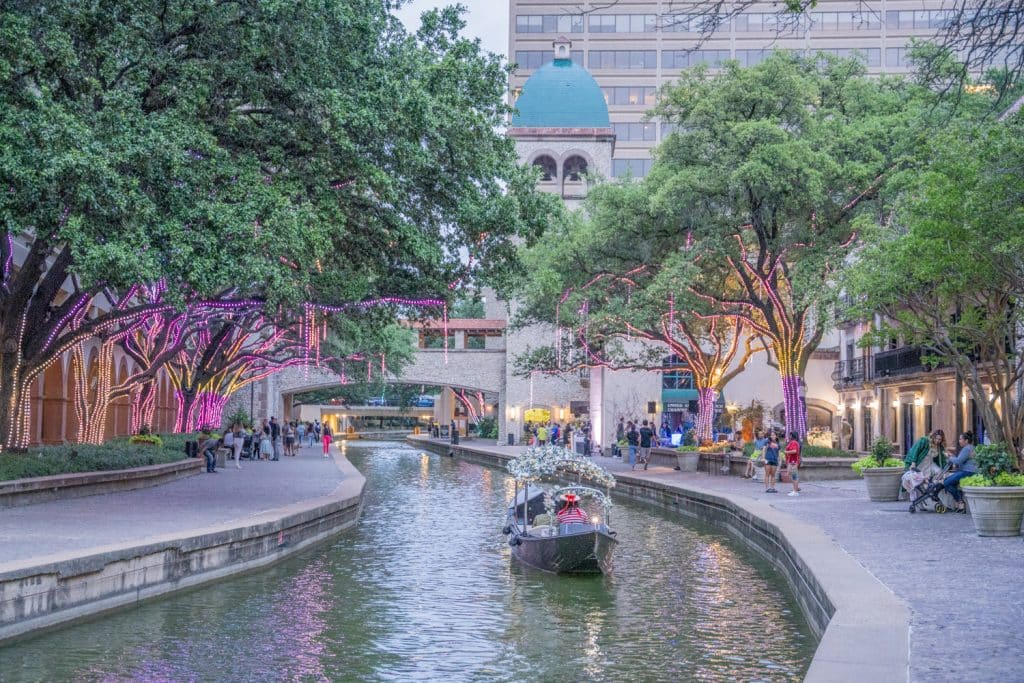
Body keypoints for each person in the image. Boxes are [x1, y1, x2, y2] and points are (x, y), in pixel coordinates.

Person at [902, 430, 947, 500]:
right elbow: (915, 450)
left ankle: (932, 486)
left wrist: (945, 467)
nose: (937, 440)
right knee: (920, 481)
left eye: (939, 439)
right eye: (936, 438)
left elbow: (942, 458)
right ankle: (919, 501)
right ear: (933, 437)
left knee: (939, 472)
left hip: (930, 463)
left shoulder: (939, 446)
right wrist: (913, 462)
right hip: (921, 462)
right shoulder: (924, 441)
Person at [944, 432, 977, 513]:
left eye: (960, 439)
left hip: (968, 472)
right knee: (952, 483)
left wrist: (949, 457)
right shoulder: (971, 447)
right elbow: (960, 459)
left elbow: (958, 461)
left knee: (946, 482)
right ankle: (960, 504)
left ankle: (960, 502)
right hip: (969, 471)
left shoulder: (967, 448)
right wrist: (952, 456)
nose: (959, 441)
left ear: (966, 440)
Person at [784, 431, 802, 496]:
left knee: (794, 476)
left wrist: (786, 452)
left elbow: (794, 451)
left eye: (790, 435)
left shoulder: (794, 442)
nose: (789, 436)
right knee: (791, 474)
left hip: (793, 461)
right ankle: (795, 488)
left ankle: (795, 491)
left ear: (792, 436)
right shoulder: (794, 442)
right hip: (792, 461)